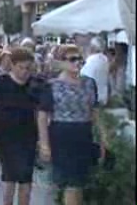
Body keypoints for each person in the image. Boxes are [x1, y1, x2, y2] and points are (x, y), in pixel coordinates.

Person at [37, 45, 108, 205]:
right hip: (62, 135)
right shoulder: (51, 86)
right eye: (72, 59)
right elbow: (42, 116)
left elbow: (94, 111)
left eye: (79, 59)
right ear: (60, 62)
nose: (77, 63)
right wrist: (44, 144)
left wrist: (103, 136)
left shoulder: (90, 83)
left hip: (84, 134)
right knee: (71, 184)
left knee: (79, 183)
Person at [0, 47, 41, 205]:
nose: (24, 72)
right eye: (21, 67)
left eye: (28, 68)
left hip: (28, 136)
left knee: (26, 179)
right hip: (6, 136)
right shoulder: (2, 82)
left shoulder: (34, 84)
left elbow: (40, 112)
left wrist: (42, 139)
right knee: (9, 177)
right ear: (12, 65)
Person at [80, 37, 109, 105]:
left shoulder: (91, 60)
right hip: (103, 95)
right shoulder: (105, 59)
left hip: (93, 97)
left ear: (93, 47)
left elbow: (83, 75)